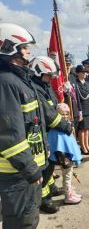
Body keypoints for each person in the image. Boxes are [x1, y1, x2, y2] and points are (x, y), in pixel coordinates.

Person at [0, 23, 46, 228]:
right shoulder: (6, 83)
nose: (29, 51)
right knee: (21, 223)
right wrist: (30, 169)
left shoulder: (18, 80)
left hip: (23, 172)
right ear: (10, 47)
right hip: (17, 175)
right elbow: (10, 135)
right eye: (25, 47)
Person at [30, 56, 74, 213]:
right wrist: (66, 127)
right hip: (42, 132)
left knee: (51, 163)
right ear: (38, 72)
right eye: (48, 75)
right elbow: (47, 114)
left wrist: (59, 104)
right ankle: (44, 199)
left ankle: (50, 188)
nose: (50, 79)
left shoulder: (45, 84)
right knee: (45, 167)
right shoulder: (34, 87)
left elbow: (52, 104)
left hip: (50, 133)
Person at [48, 103, 82, 204]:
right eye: (62, 114)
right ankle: (68, 196)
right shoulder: (57, 129)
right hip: (64, 157)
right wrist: (64, 159)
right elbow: (57, 144)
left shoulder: (66, 125)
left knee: (69, 175)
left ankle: (70, 191)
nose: (65, 116)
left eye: (67, 114)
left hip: (68, 156)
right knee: (67, 176)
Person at [75, 65, 89, 155]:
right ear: (78, 73)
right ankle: (82, 147)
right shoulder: (76, 84)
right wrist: (79, 111)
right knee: (82, 129)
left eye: (85, 72)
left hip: (88, 108)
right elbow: (77, 99)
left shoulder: (87, 83)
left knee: (87, 129)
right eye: (83, 72)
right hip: (82, 109)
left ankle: (87, 146)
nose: (85, 73)